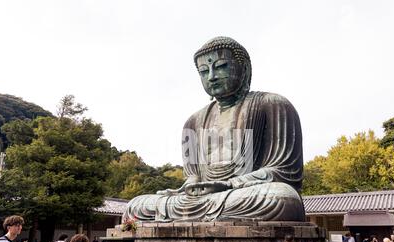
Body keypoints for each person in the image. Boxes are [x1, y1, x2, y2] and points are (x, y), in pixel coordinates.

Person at [124, 36, 305, 223]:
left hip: (244, 194)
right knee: (136, 206)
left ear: (244, 68)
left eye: (220, 66)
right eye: (203, 71)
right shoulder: (192, 122)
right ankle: (202, 215)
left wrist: (230, 184)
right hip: (203, 200)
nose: (211, 76)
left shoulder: (273, 105)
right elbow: (193, 176)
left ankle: (200, 215)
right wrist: (190, 186)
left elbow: (285, 172)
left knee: (283, 198)